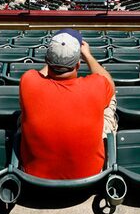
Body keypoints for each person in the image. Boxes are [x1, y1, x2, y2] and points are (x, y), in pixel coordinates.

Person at [19, 29, 115, 179]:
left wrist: (55, 57)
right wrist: (87, 55)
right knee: (110, 100)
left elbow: (42, 74)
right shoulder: (97, 84)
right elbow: (110, 84)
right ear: (78, 65)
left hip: (34, 176)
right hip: (90, 176)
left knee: (24, 111)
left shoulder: (28, 81)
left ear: (47, 60)